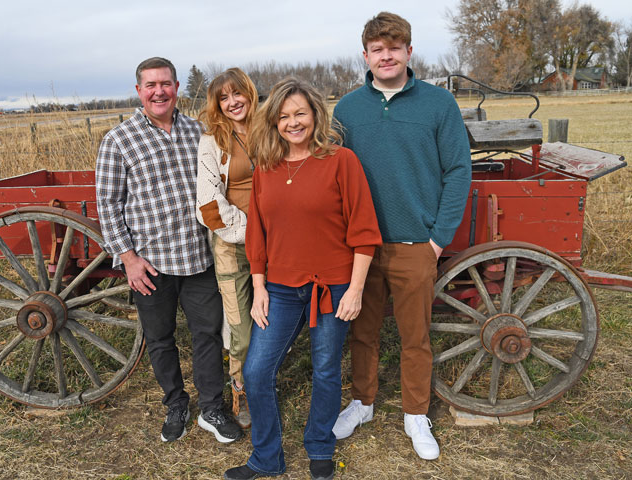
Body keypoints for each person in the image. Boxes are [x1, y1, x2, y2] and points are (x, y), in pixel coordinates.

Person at [223, 78, 382, 480]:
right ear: (274, 122)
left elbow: (364, 230)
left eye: (300, 114)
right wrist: (258, 286)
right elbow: (257, 232)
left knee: (326, 368)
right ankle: (266, 458)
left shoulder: (341, 161)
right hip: (279, 286)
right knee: (257, 371)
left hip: (333, 287)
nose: (293, 123)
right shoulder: (267, 168)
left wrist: (357, 289)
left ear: (315, 114)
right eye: (284, 116)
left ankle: (319, 447)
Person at [331, 12, 472, 460]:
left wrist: (437, 238)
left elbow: (457, 170)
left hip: (416, 243)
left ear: (409, 52)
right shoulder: (348, 109)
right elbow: (334, 175)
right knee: (363, 331)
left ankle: (415, 413)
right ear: (366, 56)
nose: (386, 55)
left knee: (415, 336)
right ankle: (363, 402)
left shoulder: (438, 104)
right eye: (377, 49)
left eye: (395, 47)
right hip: (362, 247)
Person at [95, 57, 242, 445]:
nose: (159, 91)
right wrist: (128, 258)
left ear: (177, 87)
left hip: (197, 257)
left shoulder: (199, 133)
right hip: (150, 263)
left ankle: (212, 407)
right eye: (150, 85)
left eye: (166, 84)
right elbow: (108, 203)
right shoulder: (119, 140)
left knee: (207, 334)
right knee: (160, 338)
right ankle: (176, 403)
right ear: (139, 90)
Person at [196, 68, 259, 429]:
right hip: (233, 245)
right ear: (217, 104)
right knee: (240, 326)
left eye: (238, 94)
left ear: (249, 94)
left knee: (273, 317)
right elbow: (208, 203)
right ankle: (241, 387)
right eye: (224, 97)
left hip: (277, 244)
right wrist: (252, 232)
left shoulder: (272, 129)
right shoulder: (212, 142)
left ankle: (263, 379)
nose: (233, 102)